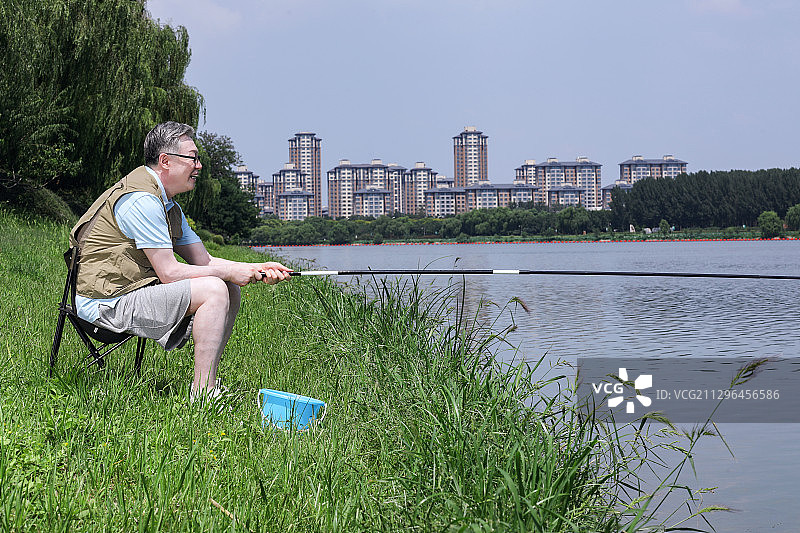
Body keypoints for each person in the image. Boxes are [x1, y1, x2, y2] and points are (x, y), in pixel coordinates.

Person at [69, 121, 291, 400]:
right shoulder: (143, 201)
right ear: (166, 161)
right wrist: (231, 272)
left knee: (229, 287)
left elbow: (204, 260)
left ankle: (207, 382)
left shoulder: (168, 205)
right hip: (104, 305)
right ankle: (203, 394)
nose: (199, 166)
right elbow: (170, 274)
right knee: (214, 289)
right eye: (193, 158)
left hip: (128, 292)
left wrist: (253, 268)